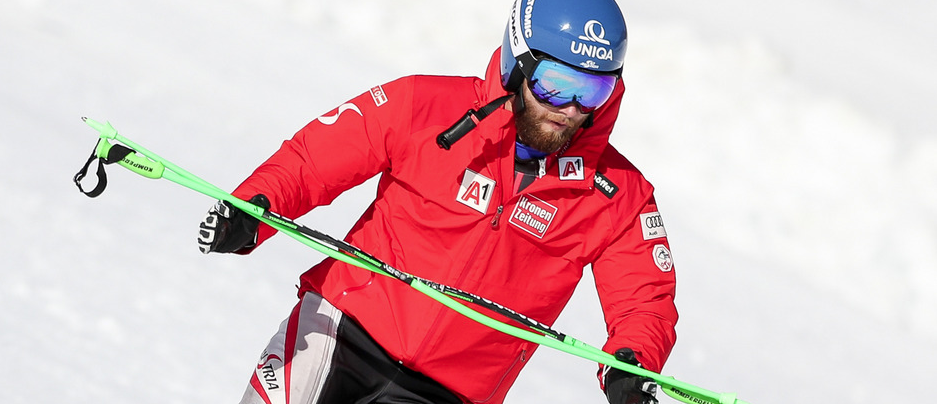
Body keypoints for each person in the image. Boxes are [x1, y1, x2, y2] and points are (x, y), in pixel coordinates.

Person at [197, 0, 677, 403]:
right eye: (555, 83)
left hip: (452, 392)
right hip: (337, 330)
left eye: (592, 90)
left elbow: (645, 302)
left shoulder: (619, 195)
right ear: (518, 63)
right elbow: (312, 162)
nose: (569, 109)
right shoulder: (426, 107)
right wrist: (250, 210)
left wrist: (632, 365)